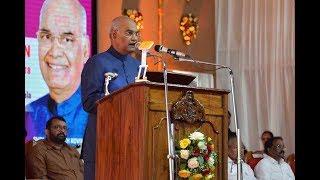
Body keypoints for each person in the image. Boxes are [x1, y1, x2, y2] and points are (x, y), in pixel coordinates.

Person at [80, 16, 141, 180]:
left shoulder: (137, 66)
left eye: (137, 33)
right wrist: (118, 99)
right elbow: (88, 102)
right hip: (103, 141)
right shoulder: (96, 62)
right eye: (129, 33)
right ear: (114, 34)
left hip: (131, 143)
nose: (135, 38)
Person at [25, 0, 90, 147]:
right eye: (46, 37)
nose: (54, 52)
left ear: (85, 49)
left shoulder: (95, 112)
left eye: (67, 39)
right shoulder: (29, 113)